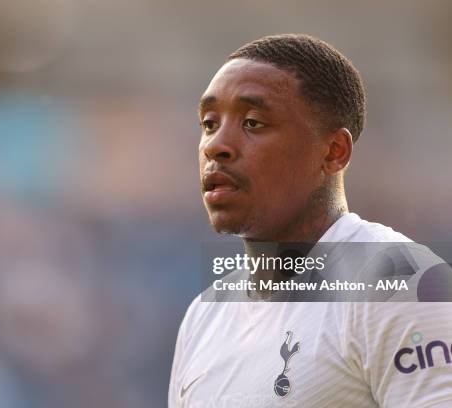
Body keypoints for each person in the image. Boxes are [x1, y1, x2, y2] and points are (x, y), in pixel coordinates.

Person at [169, 34, 452, 407]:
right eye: (208, 123)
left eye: (253, 122)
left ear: (334, 152)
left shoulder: (403, 286)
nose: (214, 145)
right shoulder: (204, 316)